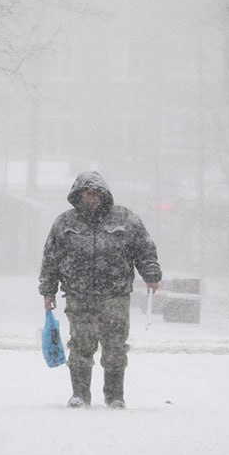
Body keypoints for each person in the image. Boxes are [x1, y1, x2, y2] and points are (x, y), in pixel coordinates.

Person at [39, 171, 162, 409]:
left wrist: (151, 274)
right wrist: (48, 291)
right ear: (78, 195)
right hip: (78, 295)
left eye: (95, 193)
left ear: (104, 194)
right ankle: (80, 395)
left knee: (116, 346)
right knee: (81, 345)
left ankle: (115, 396)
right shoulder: (64, 223)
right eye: (86, 193)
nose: (91, 197)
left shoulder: (125, 219)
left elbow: (144, 249)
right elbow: (51, 258)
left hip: (115, 295)